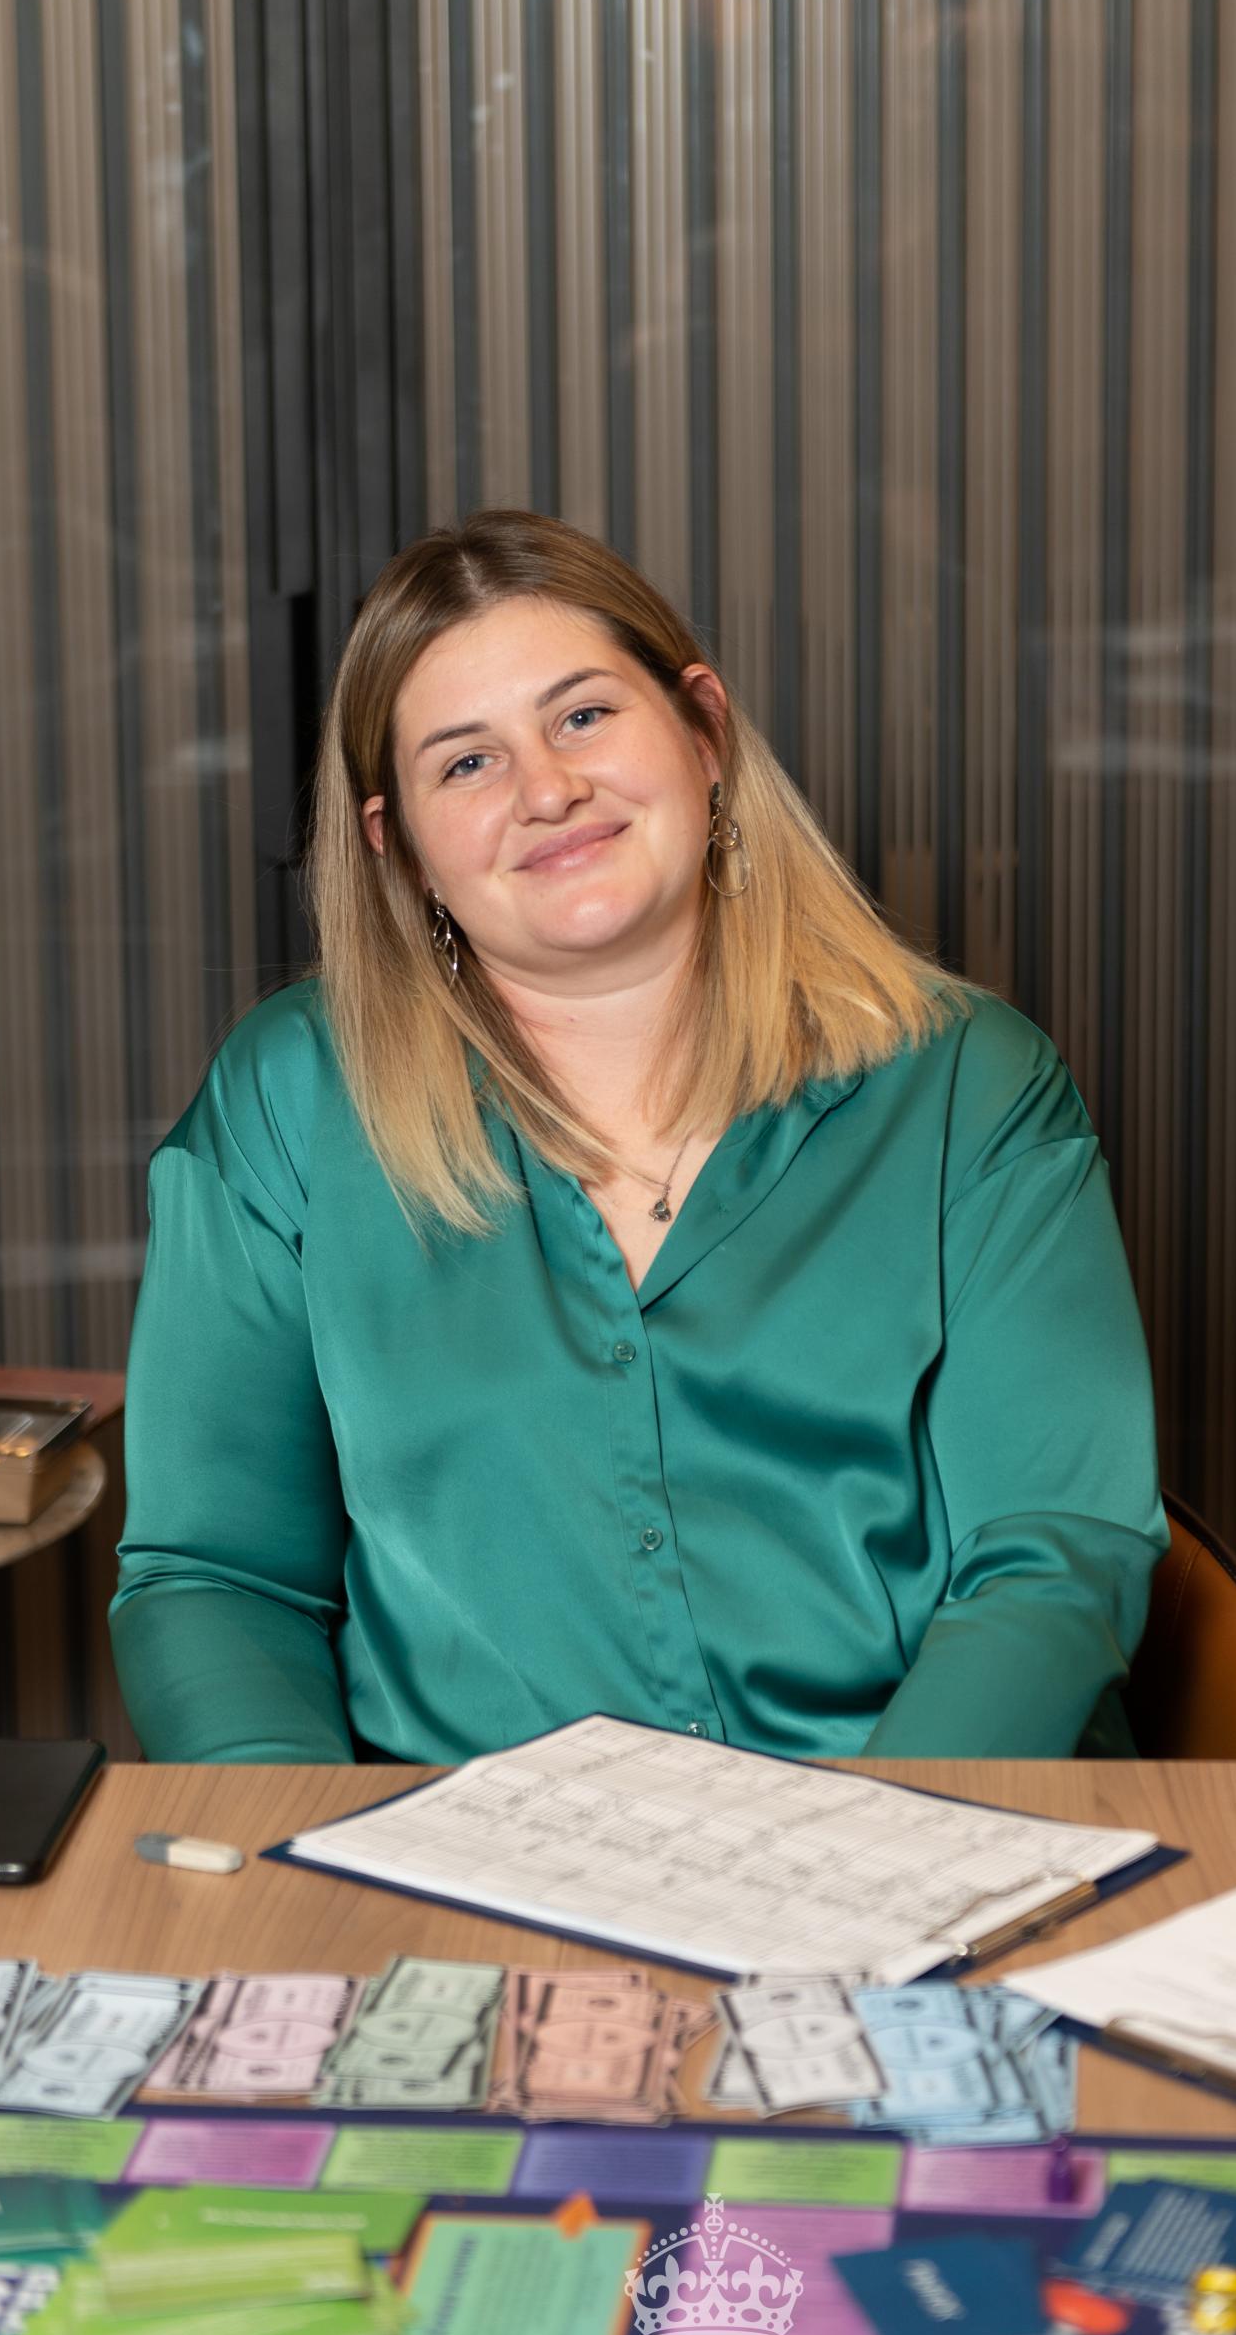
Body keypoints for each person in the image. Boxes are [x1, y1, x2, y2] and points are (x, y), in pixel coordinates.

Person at [111, 510, 1168, 1764]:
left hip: (917, 1827)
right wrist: (304, 1850)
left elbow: (1052, 1557)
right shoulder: (290, 1098)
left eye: (583, 716)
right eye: (467, 763)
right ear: (402, 850)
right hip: (471, 1848)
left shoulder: (967, 1084)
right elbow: (216, 1577)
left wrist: (872, 1852)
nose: (546, 790)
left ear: (704, 730)